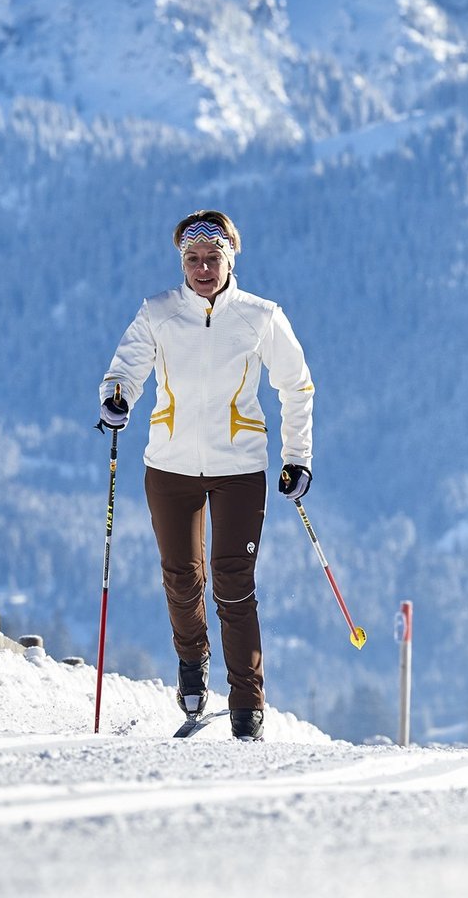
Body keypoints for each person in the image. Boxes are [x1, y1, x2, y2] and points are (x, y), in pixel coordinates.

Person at [98, 209, 314, 742]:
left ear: (230, 257)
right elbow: (124, 368)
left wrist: (297, 457)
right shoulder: (159, 312)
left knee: (234, 585)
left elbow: (297, 385)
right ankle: (192, 665)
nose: (201, 268)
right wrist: (116, 398)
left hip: (239, 467)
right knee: (181, 577)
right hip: (169, 465)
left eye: (211, 258)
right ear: (181, 261)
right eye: (192, 259)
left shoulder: (260, 317)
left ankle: (248, 702)